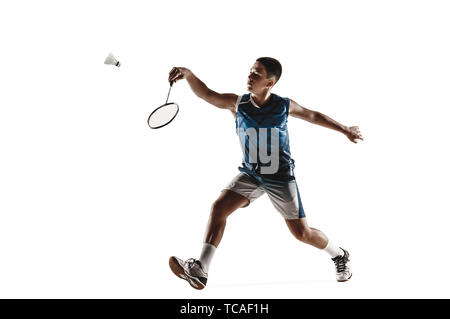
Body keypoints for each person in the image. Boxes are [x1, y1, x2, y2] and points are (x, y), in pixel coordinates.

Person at [167, 57, 363, 290]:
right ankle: (201, 269)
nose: (250, 76)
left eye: (256, 74)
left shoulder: (282, 105)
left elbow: (312, 115)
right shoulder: (238, 104)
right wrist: (188, 74)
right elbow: (206, 94)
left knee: (302, 233)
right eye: (250, 71)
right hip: (251, 174)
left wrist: (345, 130)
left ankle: (339, 255)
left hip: (279, 177)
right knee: (219, 208)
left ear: (269, 83)